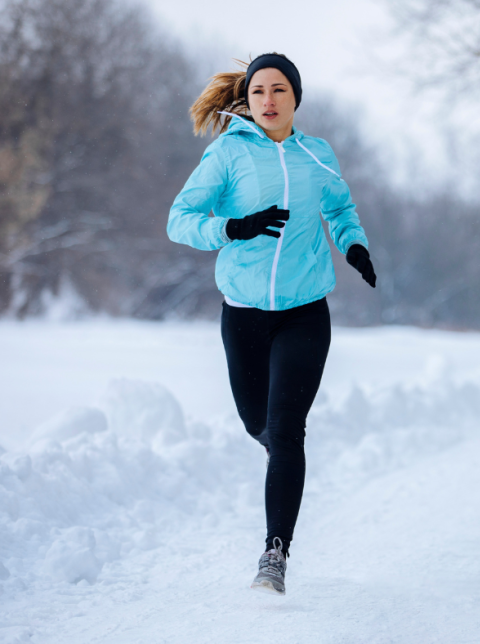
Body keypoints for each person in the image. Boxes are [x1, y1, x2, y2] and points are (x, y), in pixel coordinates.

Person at [167, 53, 376, 595]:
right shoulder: (228, 153)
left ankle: (275, 552)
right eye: (259, 90)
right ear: (248, 98)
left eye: (279, 89)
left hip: (306, 312)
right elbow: (179, 220)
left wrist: (354, 246)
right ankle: (279, 453)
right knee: (258, 423)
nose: (268, 100)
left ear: (295, 98)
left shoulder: (317, 154)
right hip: (244, 317)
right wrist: (232, 227)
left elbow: (341, 210)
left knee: (287, 430)